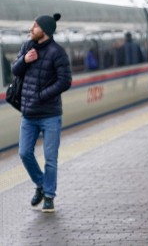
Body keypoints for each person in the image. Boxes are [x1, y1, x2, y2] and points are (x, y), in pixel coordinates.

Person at [11, 13, 72, 212]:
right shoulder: (28, 47)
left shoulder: (58, 53)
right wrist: (24, 61)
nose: (31, 29)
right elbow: (15, 70)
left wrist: (41, 96)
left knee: (50, 158)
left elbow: (65, 81)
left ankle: (49, 196)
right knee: (24, 153)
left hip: (50, 115)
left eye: (35, 26)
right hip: (28, 114)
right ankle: (41, 184)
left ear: (44, 30)